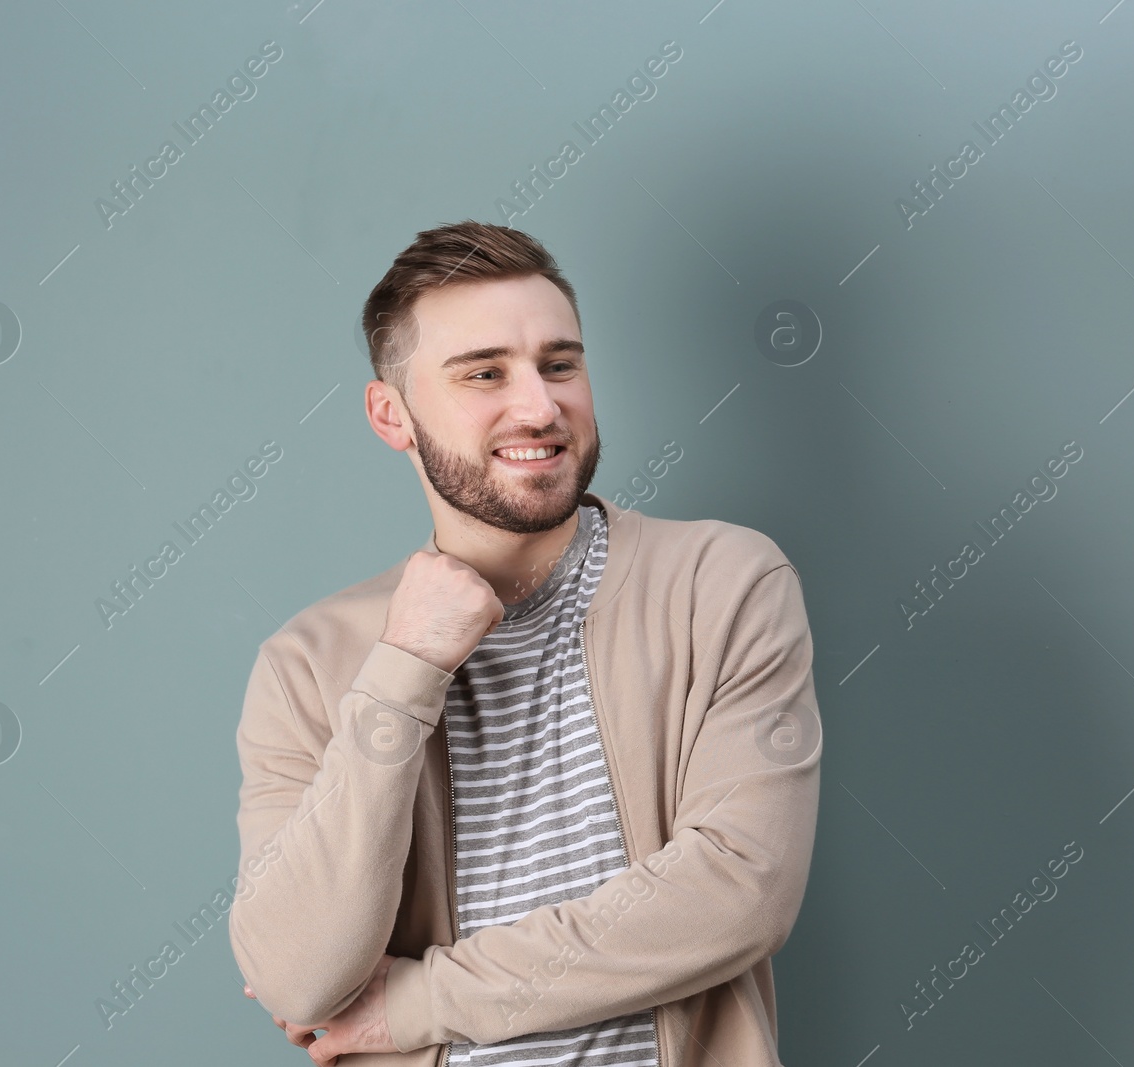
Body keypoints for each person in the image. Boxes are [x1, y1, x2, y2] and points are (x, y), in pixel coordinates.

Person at [231, 220, 821, 1067]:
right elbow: (298, 976)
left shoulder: (720, 583)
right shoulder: (308, 662)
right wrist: (406, 667)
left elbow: (741, 890)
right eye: (484, 373)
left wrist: (419, 1003)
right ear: (390, 414)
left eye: (560, 363)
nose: (541, 406)